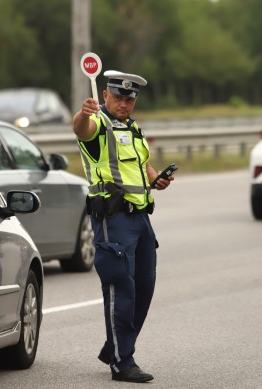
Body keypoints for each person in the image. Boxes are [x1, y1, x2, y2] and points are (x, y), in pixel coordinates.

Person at [72, 70, 174, 382]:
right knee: (121, 287)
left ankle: (115, 346)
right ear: (105, 96)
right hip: (113, 219)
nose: (124, 104)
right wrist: (82, 114)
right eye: (118, 98)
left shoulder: (133, 128)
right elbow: (81, 130)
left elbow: (142, 165)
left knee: (144, 284)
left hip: (140, 217)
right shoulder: (98, 125)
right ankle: (121, 361)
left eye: (129, 99)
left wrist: (157, 179)